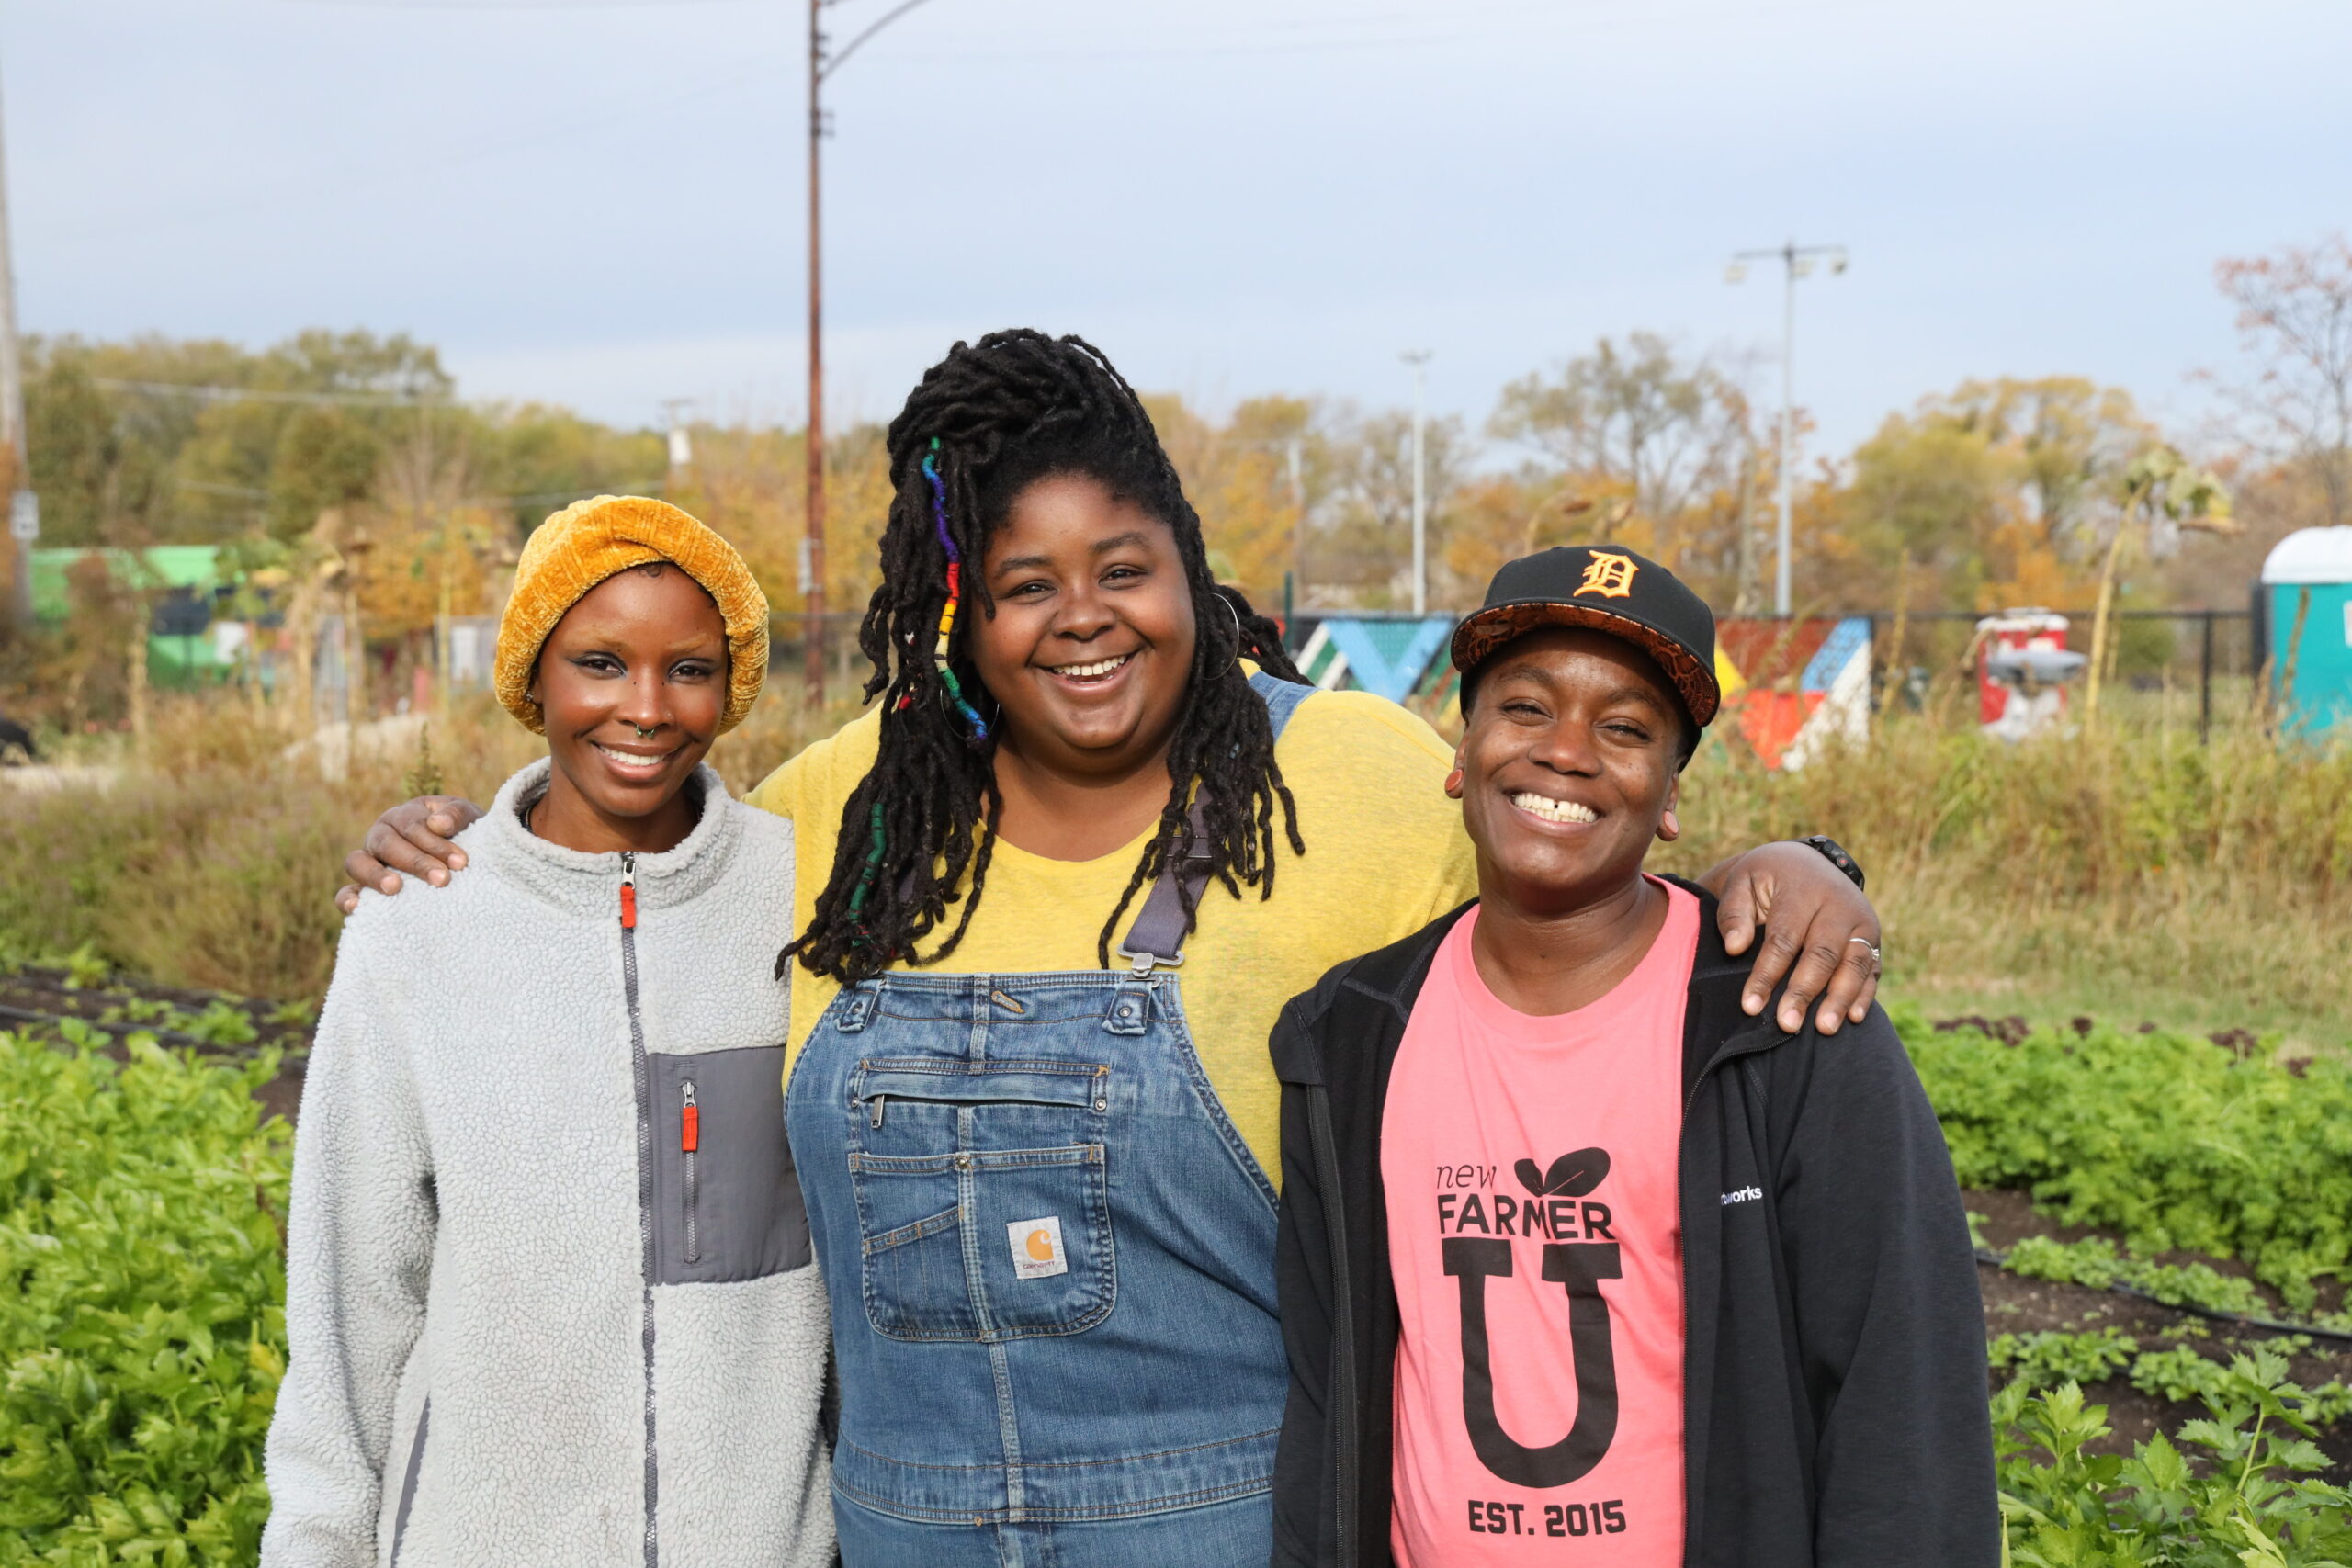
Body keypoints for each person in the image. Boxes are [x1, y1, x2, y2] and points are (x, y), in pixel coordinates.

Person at [331, 333, 1886, 1565]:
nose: (1083, 618)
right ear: (963, 612)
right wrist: (471, 841)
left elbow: (1570, 844)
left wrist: (1797, 867)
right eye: (1024, 585)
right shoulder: (844, 812)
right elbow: (632, 880)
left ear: (1189, 566)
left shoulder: (1349, 775)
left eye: (1123, 569)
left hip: (1231, 1523)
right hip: (894, 1529)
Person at [1267, 546, 1997, 1568]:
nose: (1566, 752)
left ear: (1668, 797)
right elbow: (1324, 1391)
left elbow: (1903, 1396)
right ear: (1461, 749)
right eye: (1524, 708)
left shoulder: (1780, 1022)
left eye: (1624, 728)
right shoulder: (1347, 1036)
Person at [264, 498, 833, 1568]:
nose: (647, 708)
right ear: (533, 676)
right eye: (601, 663)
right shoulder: (416, 920)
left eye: (691, 669)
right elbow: (353, 1298)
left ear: (735, 682)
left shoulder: (808, 902)